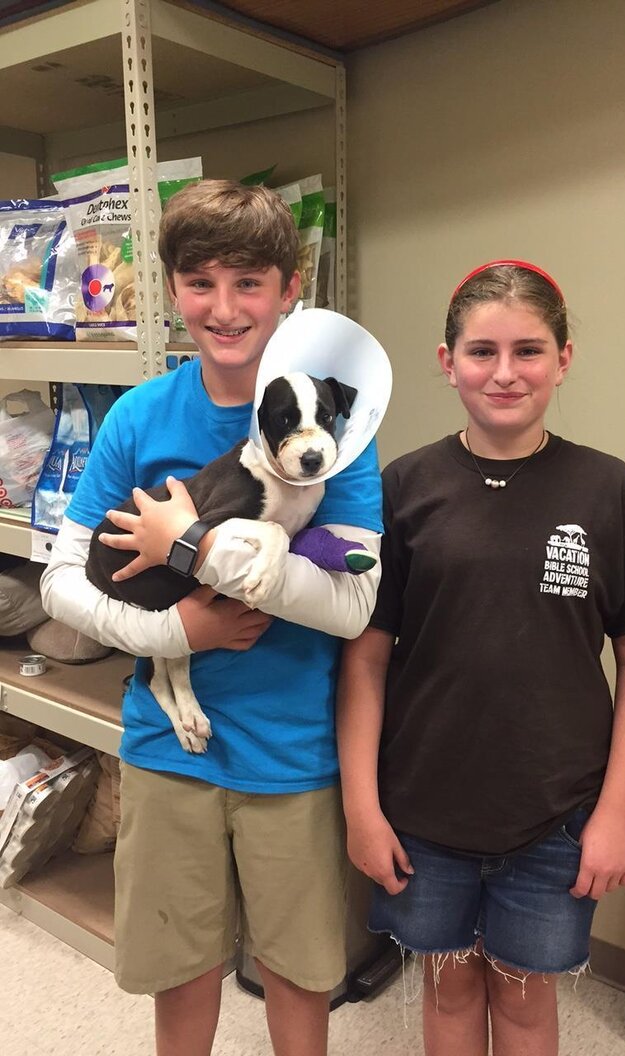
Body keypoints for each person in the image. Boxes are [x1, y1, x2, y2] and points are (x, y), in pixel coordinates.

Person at [40, 180, 383, 1056]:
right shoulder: (138, 416)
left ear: (289, 289)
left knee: (299, 976)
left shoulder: (334, 430)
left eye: (249, 283)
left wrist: (191, 546)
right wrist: (175, 634)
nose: (224, 308)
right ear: (171, 290)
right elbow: (61, 583)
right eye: (201, 283)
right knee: (181, 972)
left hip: (292, 750)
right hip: (167, 749)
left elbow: (353, 605)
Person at [336, 259, 625, 1056]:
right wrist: (362, 809)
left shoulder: (609, 490)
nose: (505, 372)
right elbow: (365, 660)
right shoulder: (405, 486)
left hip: (557, 816)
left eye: (528, 350)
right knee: (449, 988)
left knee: (527, 1004)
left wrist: (616, 815)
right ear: (447, 361)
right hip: (421, 811)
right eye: (482, 351)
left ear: (563, 360)